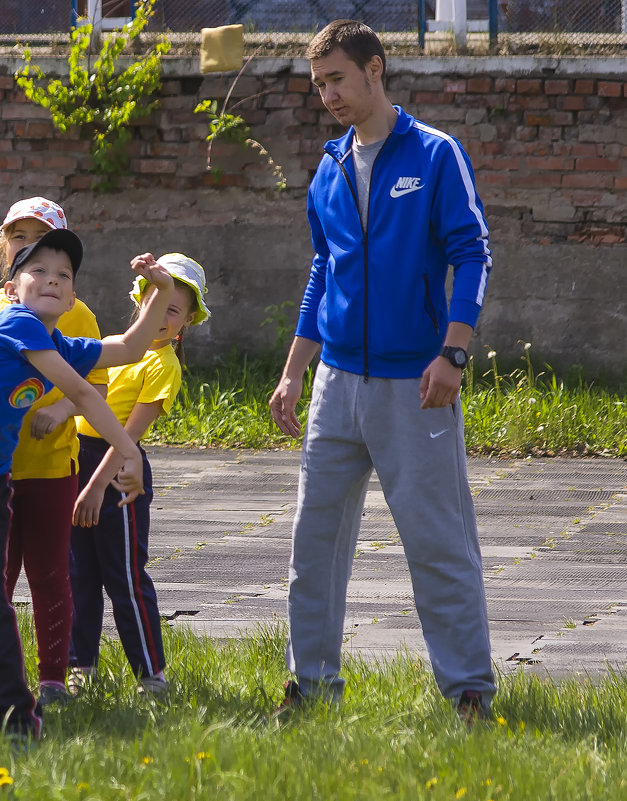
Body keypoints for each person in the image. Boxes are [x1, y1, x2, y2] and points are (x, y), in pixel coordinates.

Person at [267, 20, 496, 722]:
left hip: (415, 386)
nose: (328, 95)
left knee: (435, 541)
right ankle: (310, 688)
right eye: (318, 85)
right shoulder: (328, 166)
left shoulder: (434, 155)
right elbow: (322, 270)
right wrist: (291, 371)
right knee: (312, 545)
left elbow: (472, 254)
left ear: (374, 68)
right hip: (336, 384)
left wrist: (452, 353)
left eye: (337, 78)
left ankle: (467, 692)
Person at [0, 229, 174, 743]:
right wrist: (127, 452)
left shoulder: (56, 342)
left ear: (72, 295)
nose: (52, 280)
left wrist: (159, 291)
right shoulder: (14, 324)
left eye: (64, 275)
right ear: (11, 287)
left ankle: (16, 717)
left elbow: (129, 347)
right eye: (38, 270)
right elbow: (82, 393)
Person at [0, 197, 108, 708]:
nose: (27, 247)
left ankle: (54, 677)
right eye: (18, 239)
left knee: (51, 572)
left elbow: (96, 385)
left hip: (51, 467)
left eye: (40, 239)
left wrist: (67, 411)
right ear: (2, 248)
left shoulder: (76, 312)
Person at [68, 253, 211, 697]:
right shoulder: (113, 347)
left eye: (173, 309)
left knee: (124, 576)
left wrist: (95, 487)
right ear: (140, 303)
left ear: (186, 321)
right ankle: (79, 668)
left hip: (119, 471)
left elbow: (129, 436)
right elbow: (79, 399)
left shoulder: (163, 366)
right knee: (78, 575)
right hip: (74, 460)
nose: (162, 316)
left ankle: (152, 676)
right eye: (155, 301)